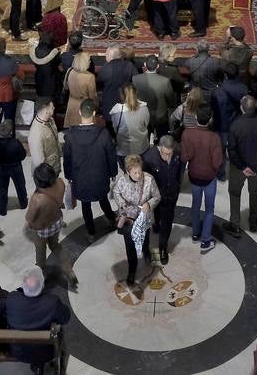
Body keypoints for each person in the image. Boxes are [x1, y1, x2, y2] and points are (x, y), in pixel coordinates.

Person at [63, 98, 117, 239]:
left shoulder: (70, 136)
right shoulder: (104, 134)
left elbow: (67, 159)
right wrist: (113, 173)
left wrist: (69, 176)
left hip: (80, 178)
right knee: (103, 199)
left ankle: (91, 232)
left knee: (85, 205)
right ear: (94, 113)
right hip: (100, 176)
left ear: (80, 112)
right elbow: (111, 156)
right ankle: (111, 218)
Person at [6, 266, 70, 371]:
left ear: (23, 285)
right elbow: (66, 318)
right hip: (46, 352)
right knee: (59, 329)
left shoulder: (12, 298)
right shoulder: (51, 302)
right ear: (42, 285)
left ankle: (36, 365)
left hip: (18, 350)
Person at [225, 95, 257, 236]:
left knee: (234, 193)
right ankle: (253, 221)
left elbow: (232, 150)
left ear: (242, 107)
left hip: (239, 169)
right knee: (255, 192)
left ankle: (235, 224)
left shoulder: (235, 125)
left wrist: (242, 167)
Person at [181, 104, 224, 254]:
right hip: (209, 178)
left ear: (196, 117)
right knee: (209, 208)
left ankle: (195, 233)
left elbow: (184, 157)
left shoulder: (187, 134)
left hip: (194, 176)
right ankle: (206, 240)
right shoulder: (214, 138)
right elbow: (217, 162)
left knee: (195, 204)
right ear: (210, 118)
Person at [25, 163, 76, 286]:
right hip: (57, 221)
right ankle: (68, 270)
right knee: (55, 245)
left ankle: (41, 272)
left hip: (42, 228)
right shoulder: (60, 182)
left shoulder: (37, 199)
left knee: (40, 250)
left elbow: (29, 218)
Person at [113, 154, 161, 284]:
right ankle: (132, 269)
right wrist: (122, 203)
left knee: (145, 237)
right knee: (130, 246)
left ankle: (146, 252)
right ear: (128, 172)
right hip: (128, 219)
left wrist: (149, 204)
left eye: (140, 171)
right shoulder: (121, 181)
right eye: (135, 173)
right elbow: (116, 193)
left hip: (144, 217)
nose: (139, 175)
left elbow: (157, 196)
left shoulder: (149, 179)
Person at [142, 135, 183, 264]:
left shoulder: (178, 152)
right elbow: (145, 178)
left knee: (167, 222)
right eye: (165, 154)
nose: (167, 157)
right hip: (156, 196)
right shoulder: (149, 157)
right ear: (159, 148)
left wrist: (177, 185)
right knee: (157, 214)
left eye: (169, 154)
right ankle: (156, 223)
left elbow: (180, 171)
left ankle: (163, 249)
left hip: (171, 195)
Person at [133, 53, 176, 140]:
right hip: (160, 115)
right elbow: (170, 99)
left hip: (143, 115)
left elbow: (134, 97)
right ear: (158, 66)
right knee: (162, 139)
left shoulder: (136, 79)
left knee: (143, 140)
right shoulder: (165, 81)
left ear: (145, 65)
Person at [110, 83, 150, 168]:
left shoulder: (116, 112)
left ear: (122, 95)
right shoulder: (144, 108)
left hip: (124, 150)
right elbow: (147, 123)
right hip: (141, 147)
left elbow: (115, 129)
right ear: (136, 93)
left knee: (127, 171)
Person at [0, 118, 28, 215]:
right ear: (11, 132)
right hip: (15, 168)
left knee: (3, 188)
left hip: (1, 168)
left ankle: (2, 209)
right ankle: (23, 203)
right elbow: (23, 156)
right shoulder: (16, 142)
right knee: (20, 185)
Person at [97, 45, 136, 117]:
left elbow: (99, 84)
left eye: (106, 55)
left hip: (110, 106)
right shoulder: (129, 65)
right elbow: (136, 81)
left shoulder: (105, 69)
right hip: (126, 104)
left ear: (110, 56)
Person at [28, 97, 61, 178]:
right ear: (46, 111)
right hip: (46, 175)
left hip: (54, 167)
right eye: (52, 107)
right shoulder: (36, 134)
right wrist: (47, 179)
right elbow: (39, 162)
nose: (54, 108)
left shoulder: (50, 120)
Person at [64, 51, 97, 127]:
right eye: (88, 60)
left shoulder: (70, 71)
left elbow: (66, 86)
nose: (90, 61)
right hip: (84, 106)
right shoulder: (90, 77)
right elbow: (92, 96)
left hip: (71, 103)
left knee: (71, 127)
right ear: (85, 62)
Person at [29, 30, 62, 100]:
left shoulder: (36, 51)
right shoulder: (54, 53)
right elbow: (57, 63)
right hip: (51, 81)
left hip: (39, 78)